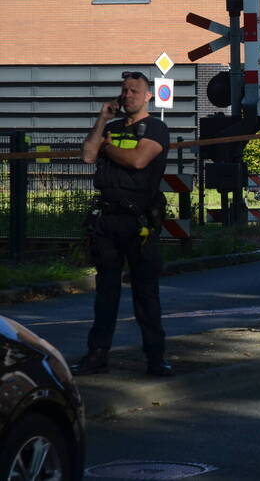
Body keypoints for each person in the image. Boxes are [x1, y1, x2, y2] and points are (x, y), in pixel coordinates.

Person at [70, 71, 173, 377]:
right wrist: (101, 120)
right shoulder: (111, 127)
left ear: (147, 96)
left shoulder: (156, 128)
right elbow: (88, 156)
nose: (128, 95)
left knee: (146, 294)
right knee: (106, 294)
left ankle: (156, 358)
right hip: (108, 220)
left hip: (138, 222)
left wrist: (107, 148)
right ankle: (97, 355)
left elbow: (138, 160)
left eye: (134, 90)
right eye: (124, 90)